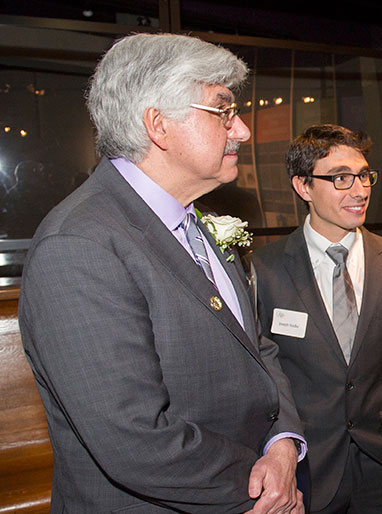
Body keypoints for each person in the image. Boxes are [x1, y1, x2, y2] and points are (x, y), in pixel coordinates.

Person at [18, 33, 306, 513]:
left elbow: (256, 348)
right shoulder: (80, 244)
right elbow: (134, 440)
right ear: (158, 125)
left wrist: (283, 444)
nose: (242, 132)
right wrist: (265, 490)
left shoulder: (194, 219)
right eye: (223, 110)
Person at [250, 124, 382, 514]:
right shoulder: (265, 270)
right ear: (303, 187)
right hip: (309, 464)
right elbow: (264, 371)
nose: (360, 190)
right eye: (341, 178)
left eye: (364, 175)